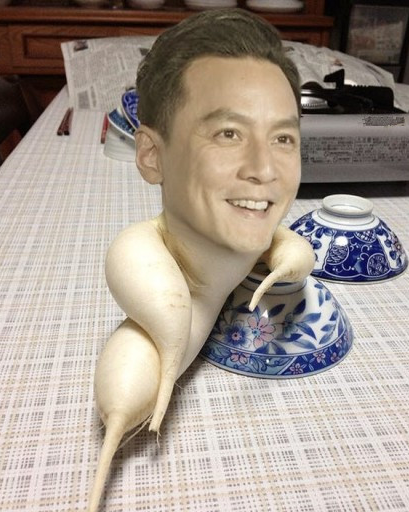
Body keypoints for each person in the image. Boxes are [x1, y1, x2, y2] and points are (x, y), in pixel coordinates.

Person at [96, 8, 315, 432]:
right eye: (228, 134)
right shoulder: (147, 251)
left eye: (283, 138)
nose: (264, 169)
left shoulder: (276, 240)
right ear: (152, 156)